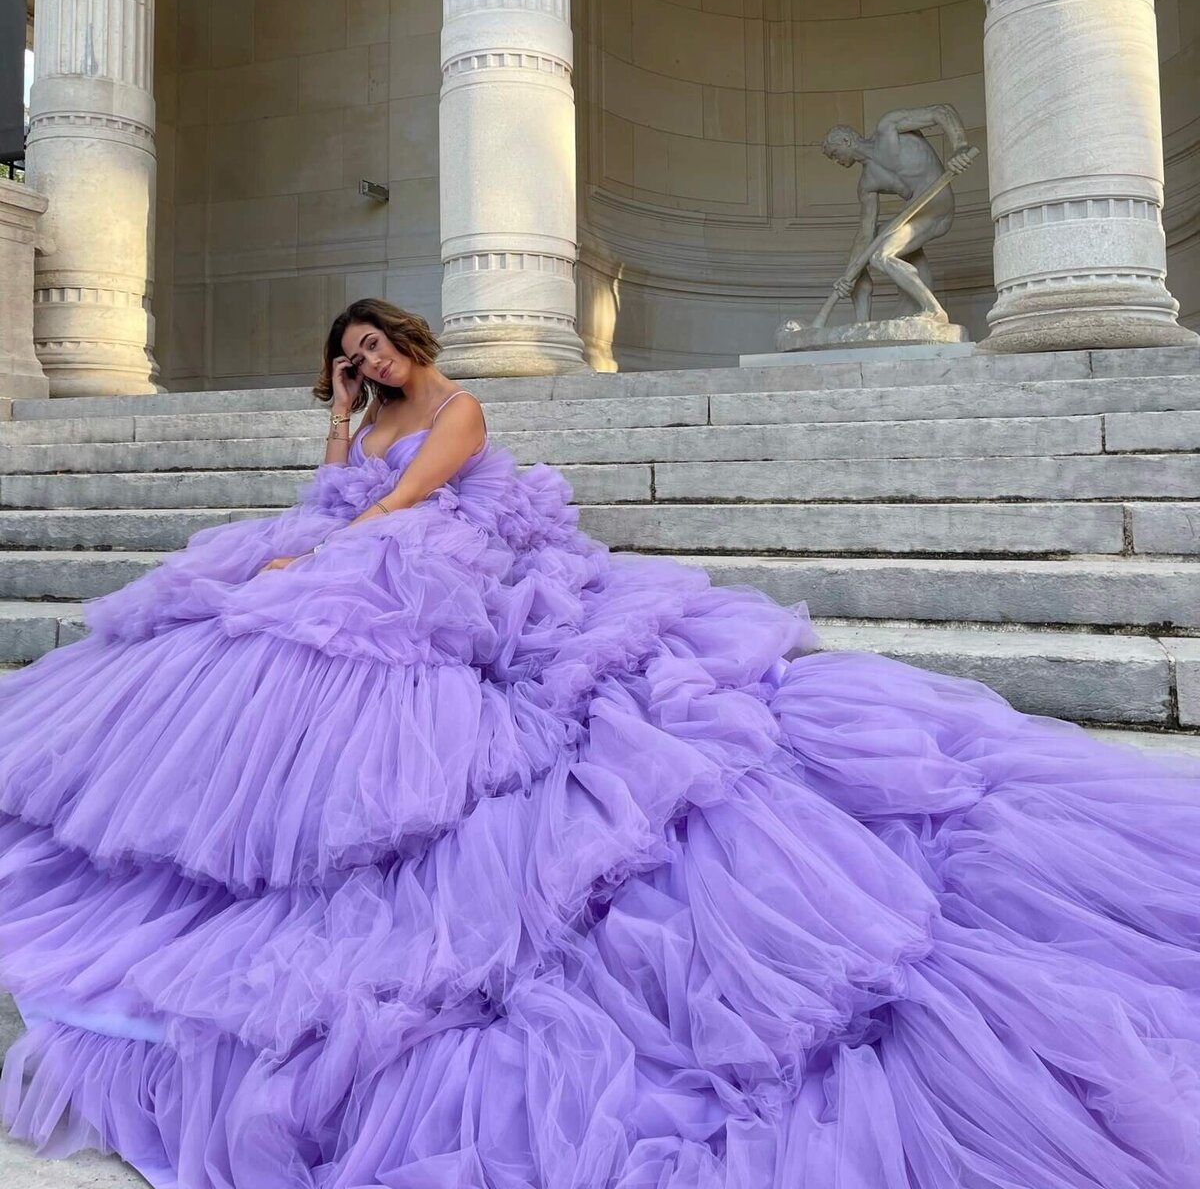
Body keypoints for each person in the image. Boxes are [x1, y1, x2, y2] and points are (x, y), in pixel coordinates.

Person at [0, 297, 1198, 1189]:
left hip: (445, 560)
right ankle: (244, 813)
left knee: (325, 595)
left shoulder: (458, 409)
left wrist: (320, 547)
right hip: (367, 547)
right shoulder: (361, 418)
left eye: (375, 347)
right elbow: (335, 492)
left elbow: (401, 509)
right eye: (350, 355)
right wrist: (334, 431)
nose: (366, 363)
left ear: (410, 341)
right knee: (254, 607)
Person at [822, 104, 975, 324]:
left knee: (881, 255)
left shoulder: (888, 127)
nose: (837, 161)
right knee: (862, 254)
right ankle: (863, 323)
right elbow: (864, 234)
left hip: (937, 205)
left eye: (835, 154)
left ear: (846, 141)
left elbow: (941, 111)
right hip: (914, 212)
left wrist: (960, 146)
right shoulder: (867, 183)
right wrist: (849, 275)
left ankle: (932, 309)